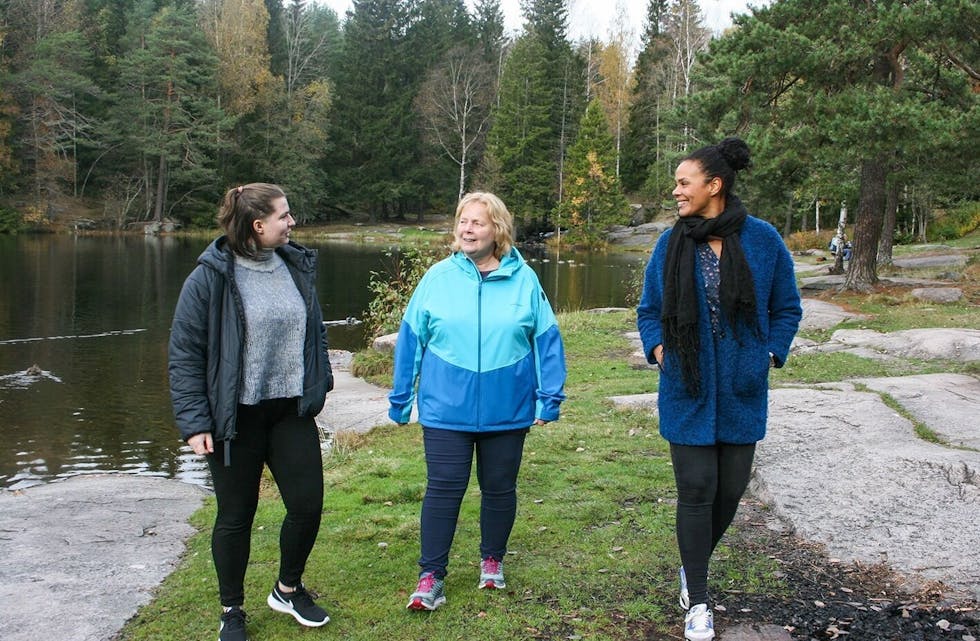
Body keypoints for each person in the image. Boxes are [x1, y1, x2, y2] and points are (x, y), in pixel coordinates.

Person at [636, 139, 802, 641]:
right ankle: (700, 603)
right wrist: (660, 351)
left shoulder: (763, 240)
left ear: (715, 185)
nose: (676, 191)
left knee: (730, 490)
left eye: (684, 183)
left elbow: (786, 307)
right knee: (696, 490)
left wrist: (768, 354)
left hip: (742, 388)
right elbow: (648, 311)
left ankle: (692, 567)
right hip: (686, 388)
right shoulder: (671, 243)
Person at [168, 183, 334, 641]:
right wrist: (195, 421)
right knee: (235, 517)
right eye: (284, 216)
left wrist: (321, 380)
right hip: (234, 419)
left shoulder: (294, 265)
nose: (292, 222)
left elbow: (313, 329)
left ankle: (287, 588)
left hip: (289, 413)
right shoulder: (209, 278)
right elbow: (185, 354)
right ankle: (231, 609)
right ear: (257, 225)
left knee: (307, 505)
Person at [388, 191, 567, 611]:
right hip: (445, 409)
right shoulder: (436, 278)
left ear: (497, 230)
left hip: (508, 408)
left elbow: (547, 340)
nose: (467, 230)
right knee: (443, 489)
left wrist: (549, 398)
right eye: (463, 222)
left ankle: (492, 561)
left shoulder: (525, 279)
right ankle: (431, 576)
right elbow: (411, 341)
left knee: (499, 488)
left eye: (478, 223)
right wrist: (401, 399)